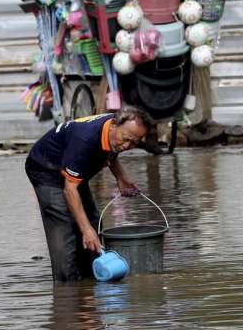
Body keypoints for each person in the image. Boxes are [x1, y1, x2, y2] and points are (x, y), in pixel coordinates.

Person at [25, 105, 151, 282]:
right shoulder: (85, 139)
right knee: (64, 225)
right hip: (46, 168)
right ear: (113, 125)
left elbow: (112, 149)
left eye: (134, 143)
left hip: (73, 168)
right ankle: (66, 286)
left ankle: (90, 278)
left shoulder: (114, 132)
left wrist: (121, 177)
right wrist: (85, 230)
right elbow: (70, 189)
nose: (127, 146)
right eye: (126, 139)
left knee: (93, 221)